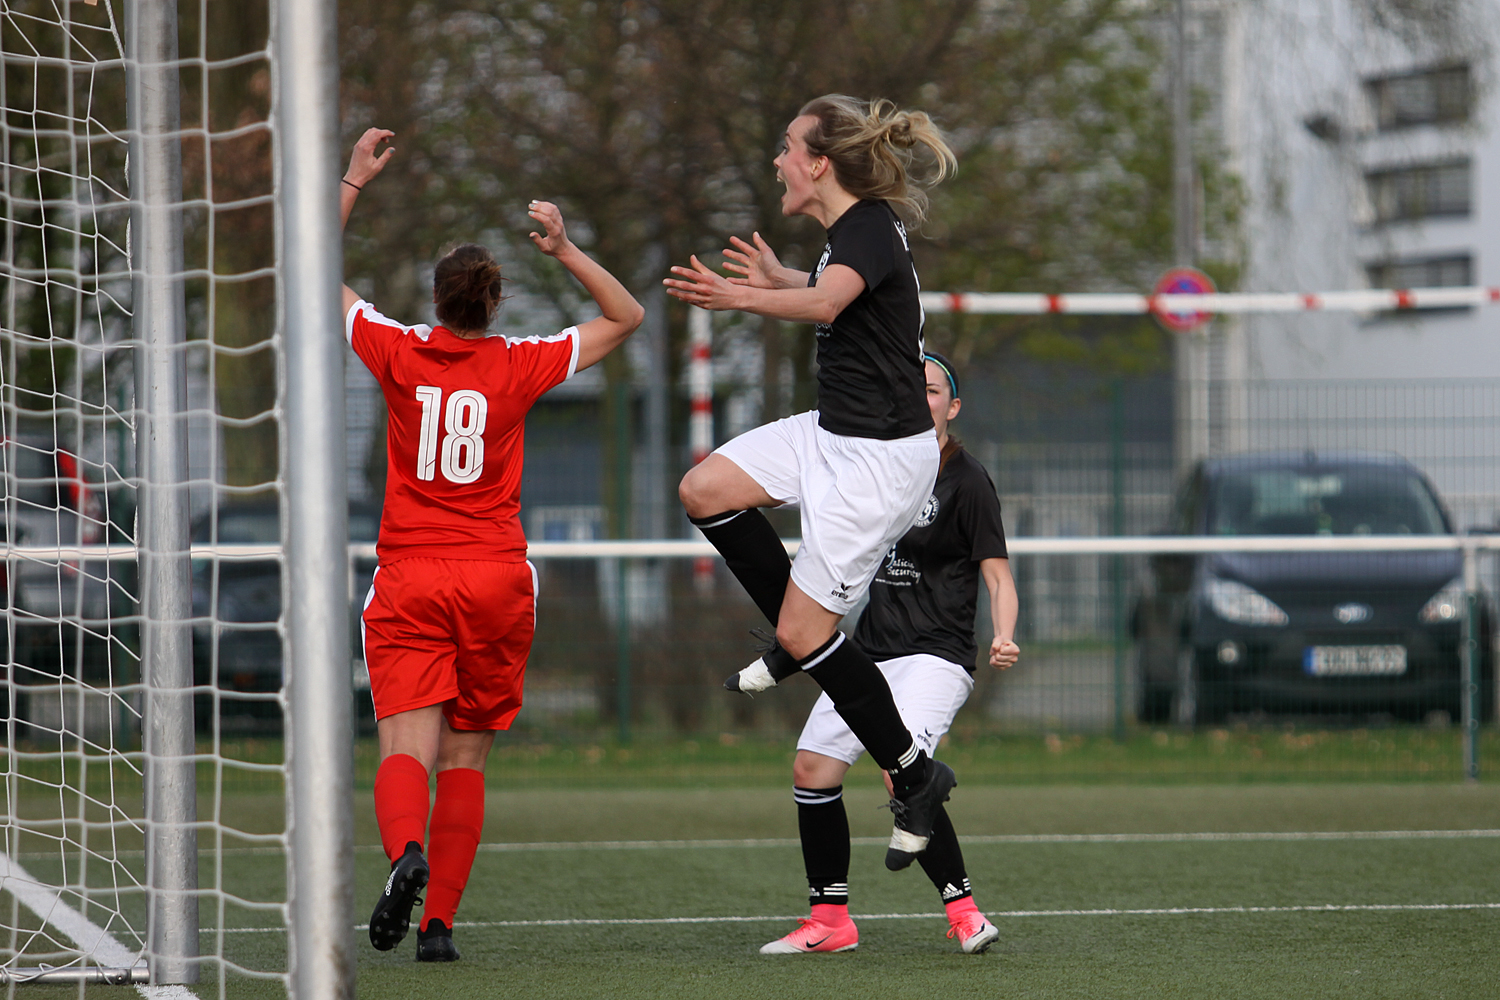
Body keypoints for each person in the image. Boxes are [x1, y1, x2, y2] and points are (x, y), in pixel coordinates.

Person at [340, 127, 645, 962]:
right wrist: (568, 248)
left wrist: (354, 183)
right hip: (497, 578)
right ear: (494, 303)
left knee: (407, 745)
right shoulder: (519, 363)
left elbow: (309, 280)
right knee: (466, 758)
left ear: (435, 300)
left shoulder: (400, 351)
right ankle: (438, 928)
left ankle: (406, 853)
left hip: (411, 573)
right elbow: (628, 317)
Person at [665, 96, 961, 862]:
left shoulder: (864, 225)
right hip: (830, 433)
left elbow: (830, 302)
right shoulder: (850, 237)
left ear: (819, 162)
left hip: (877, 462)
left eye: (787, 147)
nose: (777, 160)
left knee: (806, 632)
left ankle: (912, 772)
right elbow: (840, 294)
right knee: (705, 489)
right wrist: (782, 273)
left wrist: (745, 296)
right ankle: (799, 641)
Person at [760, 352, 1019, 956]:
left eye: (932, 390)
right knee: (812, 769)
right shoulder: (874, 470)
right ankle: (830, 921)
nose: (919, 397)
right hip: (867, 653)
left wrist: (1004, 632)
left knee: (900, 770)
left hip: (935, 655)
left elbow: (999, 576)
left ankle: (965, 913)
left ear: (951, 407)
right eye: (909, 387)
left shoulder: (968, 479)